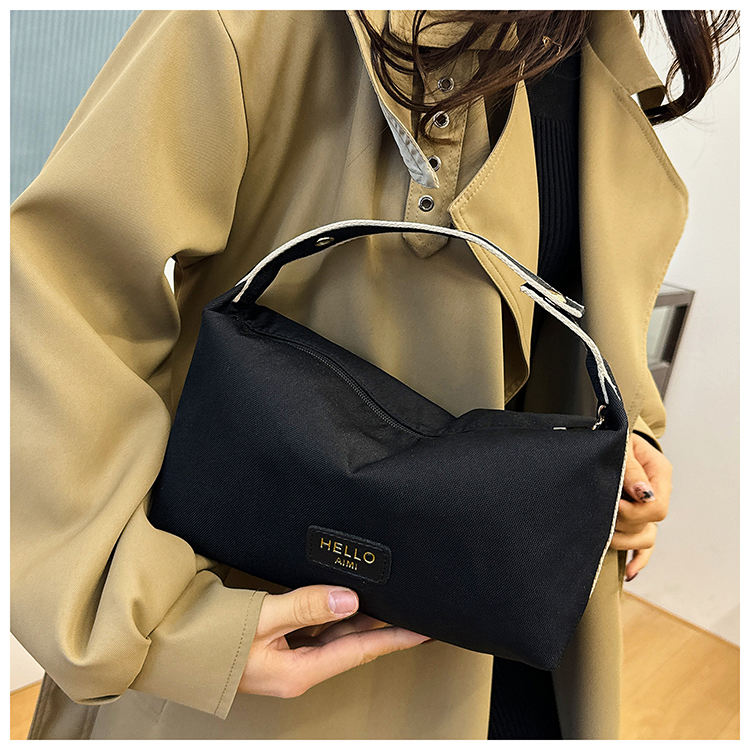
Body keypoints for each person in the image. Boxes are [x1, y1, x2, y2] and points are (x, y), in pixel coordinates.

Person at [10, 9, 738, 740]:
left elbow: (570, 314)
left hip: (528, 620)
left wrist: (621, 456)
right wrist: (161, 622)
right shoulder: (263, 25)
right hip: (296, 648)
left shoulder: (590, 44)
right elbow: (57, 292)